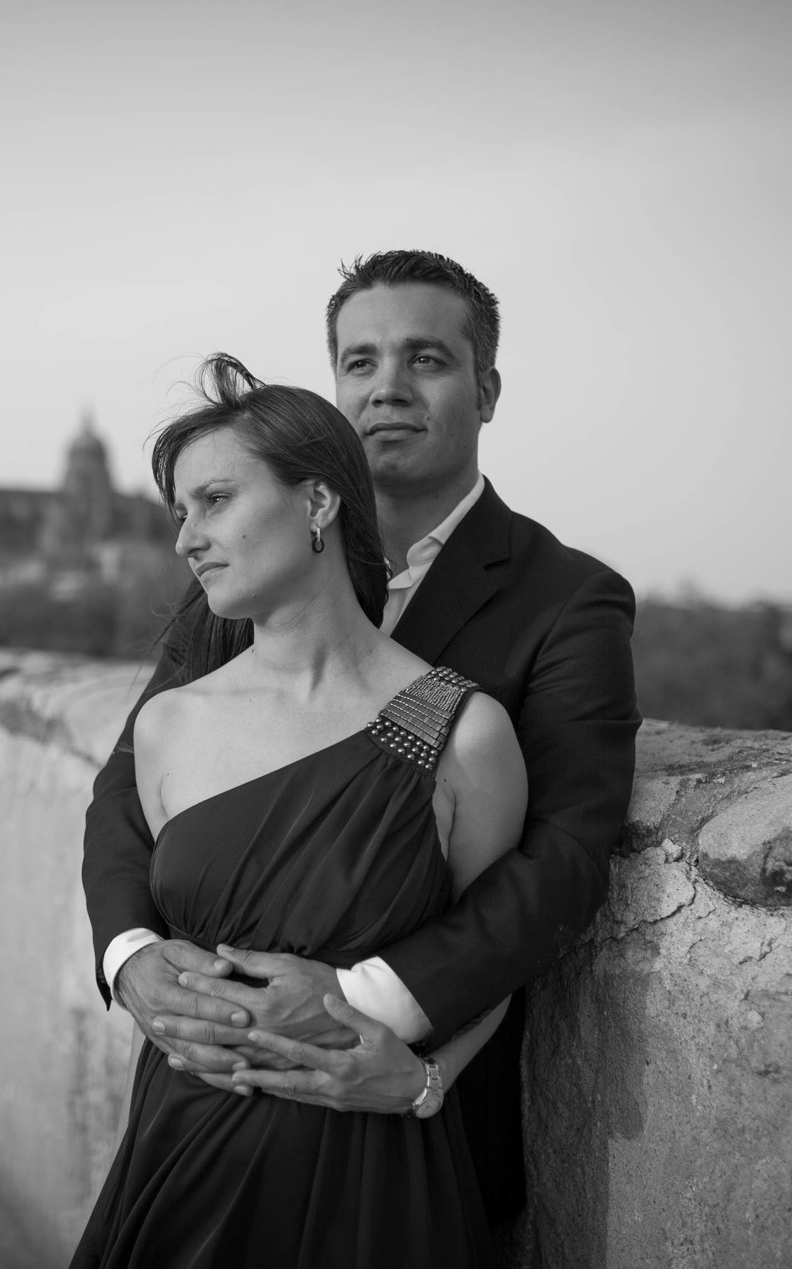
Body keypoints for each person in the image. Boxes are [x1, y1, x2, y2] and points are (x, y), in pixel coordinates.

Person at [81, 250, 640, 1238]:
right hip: (196, 1112)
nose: (385, 386)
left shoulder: (564, 598)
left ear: (485, 388)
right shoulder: (243, 573)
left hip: (401, 1116)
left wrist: (366, 1005)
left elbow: (556, 861)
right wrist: (131, 954)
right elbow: (128, 790)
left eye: (423, 358)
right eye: (357, 361)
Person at [71, 355, 527, 1267]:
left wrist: (426, 1079)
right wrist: (132, 958)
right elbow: (121, 858)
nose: (186, 539)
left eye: (215, 501)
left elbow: (497, 957)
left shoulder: (463, 732)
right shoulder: (168, 723)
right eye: (180, 514)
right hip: (179, 1156)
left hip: (371, 1177)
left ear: (318, 504)